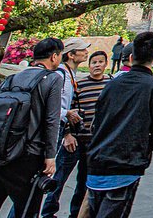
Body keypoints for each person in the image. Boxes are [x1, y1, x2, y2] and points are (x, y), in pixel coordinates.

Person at [0, 37, 64, 218]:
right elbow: (51, 120)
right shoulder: (53, 79)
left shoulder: (11, 79)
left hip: (1, 153)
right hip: (28, 156)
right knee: (28, 210)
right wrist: (50, 155)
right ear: (54, 57)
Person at [84, 32, 153, 218]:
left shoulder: (111, 84)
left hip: (97, 161)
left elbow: (97, 122)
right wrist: (142, 150)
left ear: (131, 57)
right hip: (126, 165)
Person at [39, 38, 90, 218]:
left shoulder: (71, 75)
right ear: (71, 54)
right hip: (56, 131)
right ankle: (46, 212)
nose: (86, 53)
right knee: (54, 174)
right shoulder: (60, 75)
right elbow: (51, 108)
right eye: (82, 50)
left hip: (62, 128)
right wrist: (67, 116)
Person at [63, 50, 110, 218]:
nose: (97, 65)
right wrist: (68, 133)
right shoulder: (80, 85)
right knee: (82, 181)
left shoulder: (110, 84)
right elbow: (69, 110)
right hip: (84, 140)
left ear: (106, 64)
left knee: (101, 180)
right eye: (94, 62)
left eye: (100, 62)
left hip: (103, 141)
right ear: (89, 65)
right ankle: (75, 213)